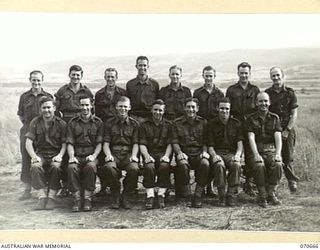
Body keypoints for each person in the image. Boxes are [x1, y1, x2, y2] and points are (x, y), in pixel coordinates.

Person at [54, 65, 94, 197]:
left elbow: (91, 110)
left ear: (81, 76)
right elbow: (56, 110)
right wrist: (61, 124)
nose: (75, 77)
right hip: (66, 124)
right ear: (69, 75)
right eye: (73, 75)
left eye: (78, 75)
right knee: (67, 156)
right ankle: (66, 185)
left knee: (80, 155)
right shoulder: (62, 91)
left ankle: (83, 186)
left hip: (82, 125)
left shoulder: (86, 92)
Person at [25, 97, 66, 210]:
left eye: (49, 107)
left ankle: (52, 197)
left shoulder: (61, 124)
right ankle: (42, 197)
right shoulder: (35, 122)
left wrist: (60, 156)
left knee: (56, 167)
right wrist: (34, 156)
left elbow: (64, 143)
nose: (46, 110)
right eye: (44, 107)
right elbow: (28, 142)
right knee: (35, 167)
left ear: (54, 108)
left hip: (55, 153)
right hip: (41, 154)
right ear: (40, 109)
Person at [17, 70, 53, 200]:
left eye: (38, 80)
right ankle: (27, 188)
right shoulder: (25, 97)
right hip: (28, 130)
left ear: (42, 80)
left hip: (43, 131)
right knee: (27, 158)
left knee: (44, 157)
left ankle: (46, 187)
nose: (36, 82)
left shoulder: (48, 96)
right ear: (30, 80)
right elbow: (21, 114)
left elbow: (51, 114)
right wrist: (29, 126)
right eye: (34, 80)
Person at [226, 62, 260, 196]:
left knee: (251, 155)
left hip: (251, 127)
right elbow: (227, 108)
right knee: (235, 155)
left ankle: (249, 183)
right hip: (235, 127)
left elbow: (258, 109)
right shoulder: (231, 90)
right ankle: (232, 184)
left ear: (250, 74)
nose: (244, 75)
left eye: (246, 73)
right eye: (241, 73)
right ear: (238, 73)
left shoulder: (255, 90)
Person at [100, 96, 140, 209]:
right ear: (116, 108)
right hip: (114, 152)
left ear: (130, 108)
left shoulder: (135, 124)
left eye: (125, 107)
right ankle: (116, 194)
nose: (123, 109)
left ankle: (126, 195)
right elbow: (106, 143)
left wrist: (134, 156)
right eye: (120, 106)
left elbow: (136, 143)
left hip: (128, 153)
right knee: (109, 167)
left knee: (134, 168)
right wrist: (108, 155)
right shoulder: (109, 123)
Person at [265, 67, 299, 193]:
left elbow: (294, 114)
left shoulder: (290, 93)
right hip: (271, 130)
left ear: (282, 76)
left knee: (288, 156)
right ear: (271, 77)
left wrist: (287, 130)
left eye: (278, 75)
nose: (276, 78)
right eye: (273, 76)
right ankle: (273, 184)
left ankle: (292, 181)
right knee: (272, 156)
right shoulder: (267, 93)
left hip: (287, 129)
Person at [66, 97, 103, 212]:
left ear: (91, 105)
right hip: (77, 154)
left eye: (87, 105)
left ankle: (87, 198)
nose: (84, 108)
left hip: (91, 154)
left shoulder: (98, 122)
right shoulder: (72, 123)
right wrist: (72, 156)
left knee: (90, 167)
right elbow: (70, 143)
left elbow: (99, 143)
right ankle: (76, 198)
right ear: (79, 106)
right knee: (72, 167)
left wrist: (94, 156)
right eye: (82, 105)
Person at [171, 98, 210, 208]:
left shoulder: (203, 122)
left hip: (198, 153)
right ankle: (188, 194)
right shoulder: (177, 123)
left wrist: (204, 152)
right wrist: (179, 153)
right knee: (182, 164)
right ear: (184, 108)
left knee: (205, 164)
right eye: (188, 107)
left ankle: (198, 194)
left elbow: (206, 141)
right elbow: (174, 141)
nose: (190, 109)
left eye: (193, 107)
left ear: (197, 109)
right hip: (184, 153)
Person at [246, 92, 283, 208]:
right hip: (255, 150)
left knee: (278, 164)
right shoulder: (251, 119)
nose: (263, 103)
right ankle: (262, 195)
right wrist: (256, 154)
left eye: (266, 101)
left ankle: (271, 193)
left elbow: (278, 137)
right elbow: (251, 138)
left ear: (269, 102)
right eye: (261, 101)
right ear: (256, 103)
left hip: (270, 149)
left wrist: (278, 154)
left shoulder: (275, 118)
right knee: (259, 165)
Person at [94, 67, 127, 197]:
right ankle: (103, 186)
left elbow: (126, 108)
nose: (110, 79)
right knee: (103, 158)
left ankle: (118, 185)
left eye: (113, 77)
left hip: (119, 127)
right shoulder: (99, 94)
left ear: (116, 78)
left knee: (118, 156)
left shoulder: (123, 93)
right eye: (108, 77)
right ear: (105, 77)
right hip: (104, 127)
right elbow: (97, 113)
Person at [193, 65, 224, 197]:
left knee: (212, 156)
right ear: (203, 76)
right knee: (202, 157)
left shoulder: (219, 93)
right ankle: (202, 185)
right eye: (206, 76)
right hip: (200, 126)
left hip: (214, 128)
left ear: (214, 77)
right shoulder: (198, 93)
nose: (208, 78)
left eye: (211, 76)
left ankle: (210, 186)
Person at [207, 98, 244, 206]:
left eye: (227, 108)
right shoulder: (211, 124)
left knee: (236, 165)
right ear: (217, 108)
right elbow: (210, 146)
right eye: (222, 108)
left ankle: (231, 194)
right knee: (219, 165)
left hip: (231, 153)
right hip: (217, 152)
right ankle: (221, 195)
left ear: (230, 109)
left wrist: (238, 155)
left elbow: (240, 144)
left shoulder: (236, 123)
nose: (224, 111)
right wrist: (214, 156)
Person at [139, 99, 173, 209]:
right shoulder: (144, 125)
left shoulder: (169, 125)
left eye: (160, 110)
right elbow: (142, 143)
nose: (157, 112)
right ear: (151, 110)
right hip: (150, 153)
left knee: (164, 166)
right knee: (149, 167)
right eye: (155, 110)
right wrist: (147, 156)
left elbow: (170, 143)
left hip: (163, 153)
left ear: (164, 111)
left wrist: (167, 156)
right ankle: (150, 195)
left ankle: (161, 194)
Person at [126, 56, 159, 120]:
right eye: (140, 65)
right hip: (133, 117)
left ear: (148, 66)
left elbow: (157, 102)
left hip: (149, 118)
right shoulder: (130, 84)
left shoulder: (154, 84)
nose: (142, 67)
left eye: (144, 65)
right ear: (136, 66)